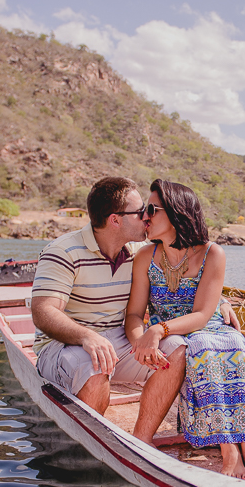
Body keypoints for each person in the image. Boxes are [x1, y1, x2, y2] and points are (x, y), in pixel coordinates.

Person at [125, 179, 245, 480]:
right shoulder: (145, 257)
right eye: (144, 211)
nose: (145, 217)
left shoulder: (212, 253)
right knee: (203, 347)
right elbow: (133, 314)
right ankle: (230, 449)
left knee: (232, 342)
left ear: (177, 212)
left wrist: (158, 331)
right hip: (174, 334)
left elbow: (204, 314)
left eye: (152, 210)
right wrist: (141, 339)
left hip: (201, 326)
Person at [31, 176, 186, 443]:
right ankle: (92, 445)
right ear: (115, 220)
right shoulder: (63, 251)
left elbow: (187, 272)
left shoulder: (140, 251)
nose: (147, 218)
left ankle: (141, 441)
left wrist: (221, 302)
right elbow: (44, 312)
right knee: (94, 367)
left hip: (119, 341)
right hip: (61, 346)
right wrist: (87, 337)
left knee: (177, 349)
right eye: (141, 212)